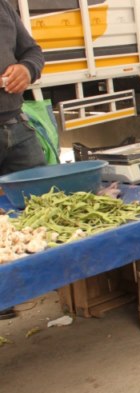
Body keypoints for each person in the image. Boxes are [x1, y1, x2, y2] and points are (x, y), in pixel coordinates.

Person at [1, 0, 46, 320]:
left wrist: (26, 69)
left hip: (15, 125)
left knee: (44, 202)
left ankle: (43, 279)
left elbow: (32, 51)